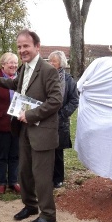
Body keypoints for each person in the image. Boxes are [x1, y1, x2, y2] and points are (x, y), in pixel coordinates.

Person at [0, 29, 62, 222]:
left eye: (26, 46)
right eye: (19, 47)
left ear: (37, 47)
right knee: (24, 172)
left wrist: (31, 115)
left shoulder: (48, 70)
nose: (22, 50)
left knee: (41, 175)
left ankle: (48, 214)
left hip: (42, 130)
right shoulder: (25, 69)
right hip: (24, 129)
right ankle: (31, 206)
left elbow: (56, 100)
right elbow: (13, 83)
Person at [47, 50, 79, 189]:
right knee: (45, 150)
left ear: (60, 64)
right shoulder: (45, 77)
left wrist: (62, 114)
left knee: (57, 151)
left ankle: (58, 178)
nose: (50, 63)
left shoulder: (68, 80)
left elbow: (74, 100)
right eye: (49, 61)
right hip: (45, 119)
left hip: (60, 121)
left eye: (52, 61)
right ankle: (45, 176)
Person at [0, 52, 20, 194]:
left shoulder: (21, 79)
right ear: (3, 64)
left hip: (18, 123)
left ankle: (13, 181)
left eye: (15, 62)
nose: (14, 65)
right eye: (10, 62)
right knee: (2, 155)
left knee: (15, 154)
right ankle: (2, 181)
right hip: (1, 122)